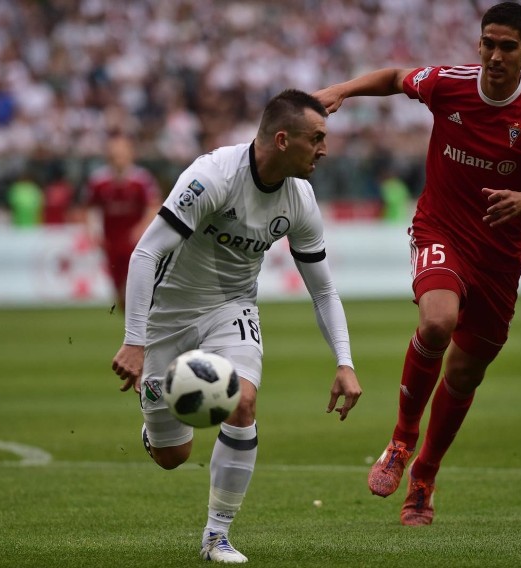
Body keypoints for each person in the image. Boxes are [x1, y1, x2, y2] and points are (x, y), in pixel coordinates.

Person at [314, 2, 521, 526]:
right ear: (478, 44)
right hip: (440, 230)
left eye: (507, 46)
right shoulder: (447, 84)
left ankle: (426, 476)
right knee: (437, 321)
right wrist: (341, 89)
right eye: (488, 43)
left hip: (500, 257)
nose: (495, 55)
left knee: (464, 372)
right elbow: (393, 77)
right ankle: (400, 441)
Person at [110, 89, 363, 563]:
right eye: (317, 138)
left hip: (232, 307)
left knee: (242, 401)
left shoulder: (301, 199)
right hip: (168, 314)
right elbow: (146, 252)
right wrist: (135, 341)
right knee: (172, 457)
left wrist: (344, 362)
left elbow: (324, 290)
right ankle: (156, 428)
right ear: (284, 140)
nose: (325, 149)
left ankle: (216, 536)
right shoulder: (212, 176)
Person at [81, 131, 162, 310]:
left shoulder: (142, 180)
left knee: (136, 287)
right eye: (114, 153)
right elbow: (89, 208)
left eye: (121, 152)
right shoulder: (99, 181)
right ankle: (134, 325)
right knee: (119, 292)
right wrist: (92, 233)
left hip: (137, 243)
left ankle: (144, 326)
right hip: (111, 242)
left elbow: (154, 206)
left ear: (130, 153)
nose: (118, 157)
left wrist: (141, 229)